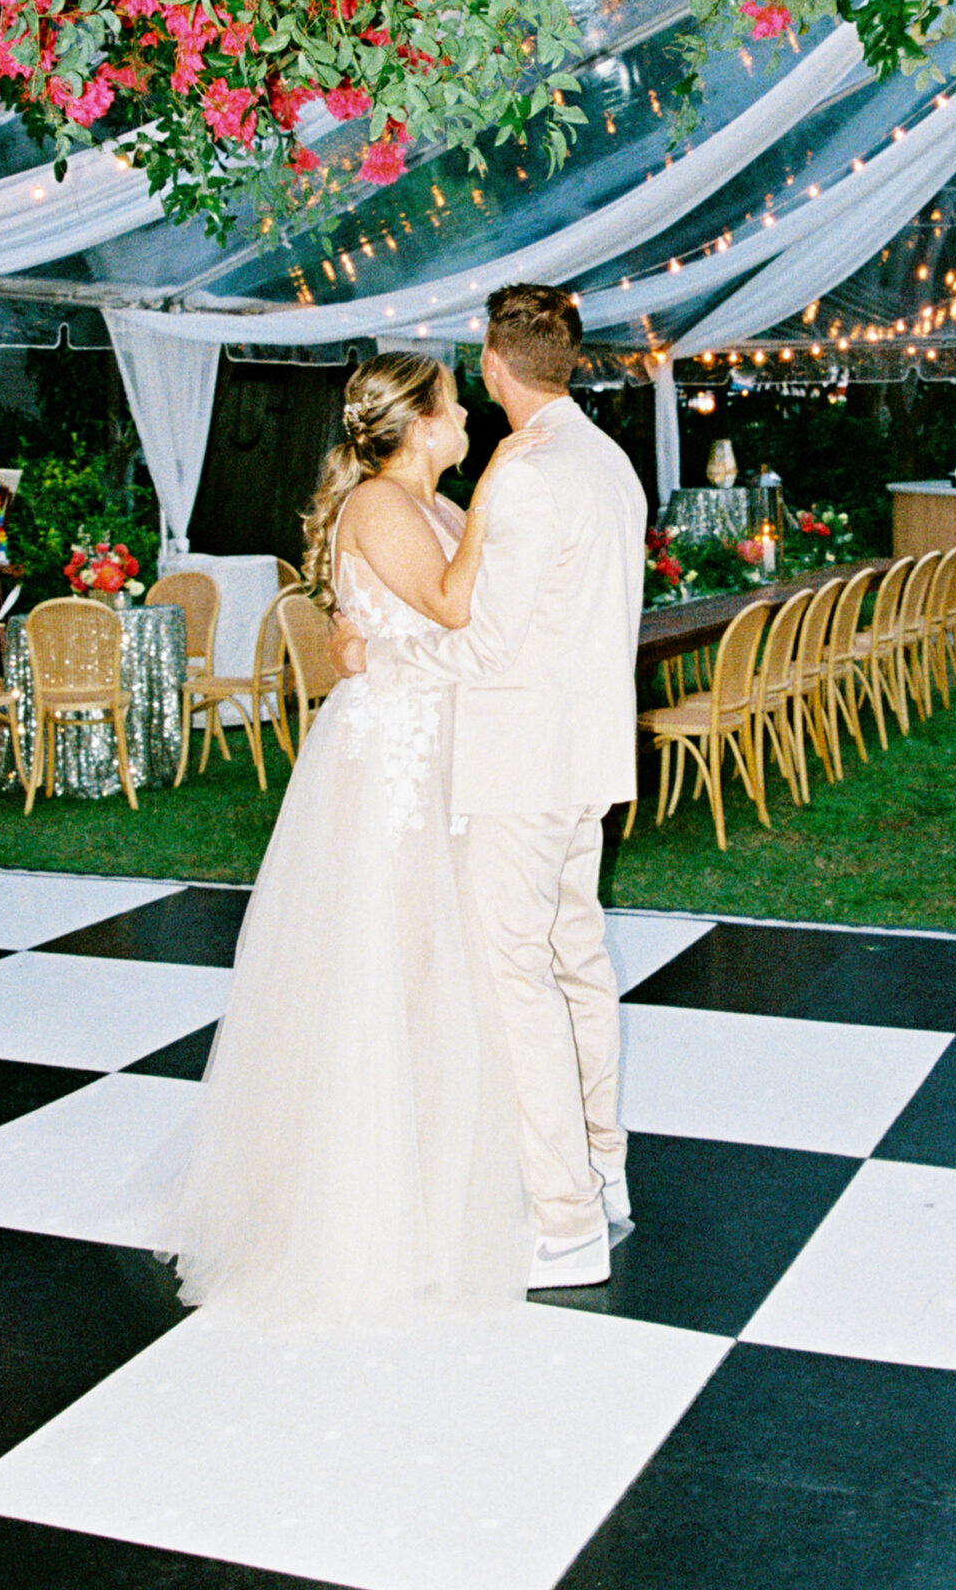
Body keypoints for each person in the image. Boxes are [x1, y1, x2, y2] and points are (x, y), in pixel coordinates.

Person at [166, 353, 529, 1328]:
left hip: (436, 744)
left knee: (448, 968)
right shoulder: (380, 503)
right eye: (454, 409)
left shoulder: (433, 509)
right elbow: (456, 606)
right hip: (394, 765)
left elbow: (476, 626)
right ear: (418, 426)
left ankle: (442, 1181)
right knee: (397, 964)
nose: (467, 422)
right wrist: (502, 506)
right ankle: (370, 1204)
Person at [342, 284, 647, 1292]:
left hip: (520, 769)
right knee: (577, 966)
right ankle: (604, 1174)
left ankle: (562, 1221)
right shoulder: (607, 462)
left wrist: (379, 660)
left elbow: (489, 640)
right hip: (589, 761)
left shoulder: (521, 477)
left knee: (519, 984)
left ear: (491, 361)